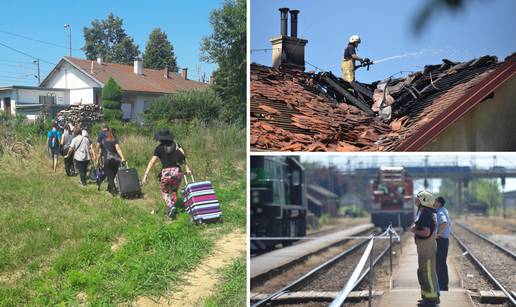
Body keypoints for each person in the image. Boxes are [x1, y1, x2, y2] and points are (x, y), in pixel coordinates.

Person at [142, 128, 192, 219]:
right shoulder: (177, 145)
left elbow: (152, 162)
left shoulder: (159, 148)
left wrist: (145, 175)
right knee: (174, 191)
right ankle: (172, 209)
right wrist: (187, 168)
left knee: (165, 192)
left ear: (160, 138)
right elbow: (183, 157)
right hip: (177, 172)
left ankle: (171, 207)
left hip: (166, 173)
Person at [410, 190, 439, 305]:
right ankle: (427, 296)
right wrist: (415, 227)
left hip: (426, 249)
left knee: (427, 273)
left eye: (418, 198)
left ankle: (431, 299)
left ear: (424, 201)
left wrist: (414, 231)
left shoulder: (426, 214)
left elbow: (426, 232)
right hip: (424, 248)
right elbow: (419, 224)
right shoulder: (424, 212)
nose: (415, 200)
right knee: (423, 272)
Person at [98, 128, 126, 195]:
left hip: (107, 160)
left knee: (110, 176)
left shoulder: (103, 141)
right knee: (112, 175)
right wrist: (122, 158)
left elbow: (100, 152)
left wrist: (97, 160)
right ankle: (110, 188)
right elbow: (118, 149)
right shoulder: (115, 140)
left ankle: (113, 191)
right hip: (116, 160)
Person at [434, 196, 451, 291]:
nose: (434, 203)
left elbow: (444, 223)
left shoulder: (440, 211)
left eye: (435, 202)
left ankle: (442, 285)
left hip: (441, 240)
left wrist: (438, 234)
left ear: (439, 203)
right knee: (442, 263)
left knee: (440, 263)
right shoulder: (444, 210)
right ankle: (443, 285)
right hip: (444, 240)